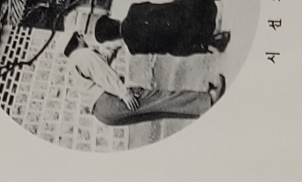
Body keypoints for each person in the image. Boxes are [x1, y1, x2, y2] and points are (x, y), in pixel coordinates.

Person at [64, 32, 224, 127]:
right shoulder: (83, 55)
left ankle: (202, 110)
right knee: (160, 99)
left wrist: (114, 45)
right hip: (111, 100)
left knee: (158, 110)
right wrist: (124, 93)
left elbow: (100, 65)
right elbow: (103, 74)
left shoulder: (73, 63)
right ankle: (209, 100)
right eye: (81, 35)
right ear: (78, 37)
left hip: (103, 114)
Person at [92, 0, 235, 57]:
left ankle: (213, 41)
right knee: (177, 2)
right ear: (114, 20)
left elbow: (160, 49)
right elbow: (158, 6)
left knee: (174, 49)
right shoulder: (133, 9)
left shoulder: (133, 48)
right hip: (191, 11)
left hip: (191, 35)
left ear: (112, 38)